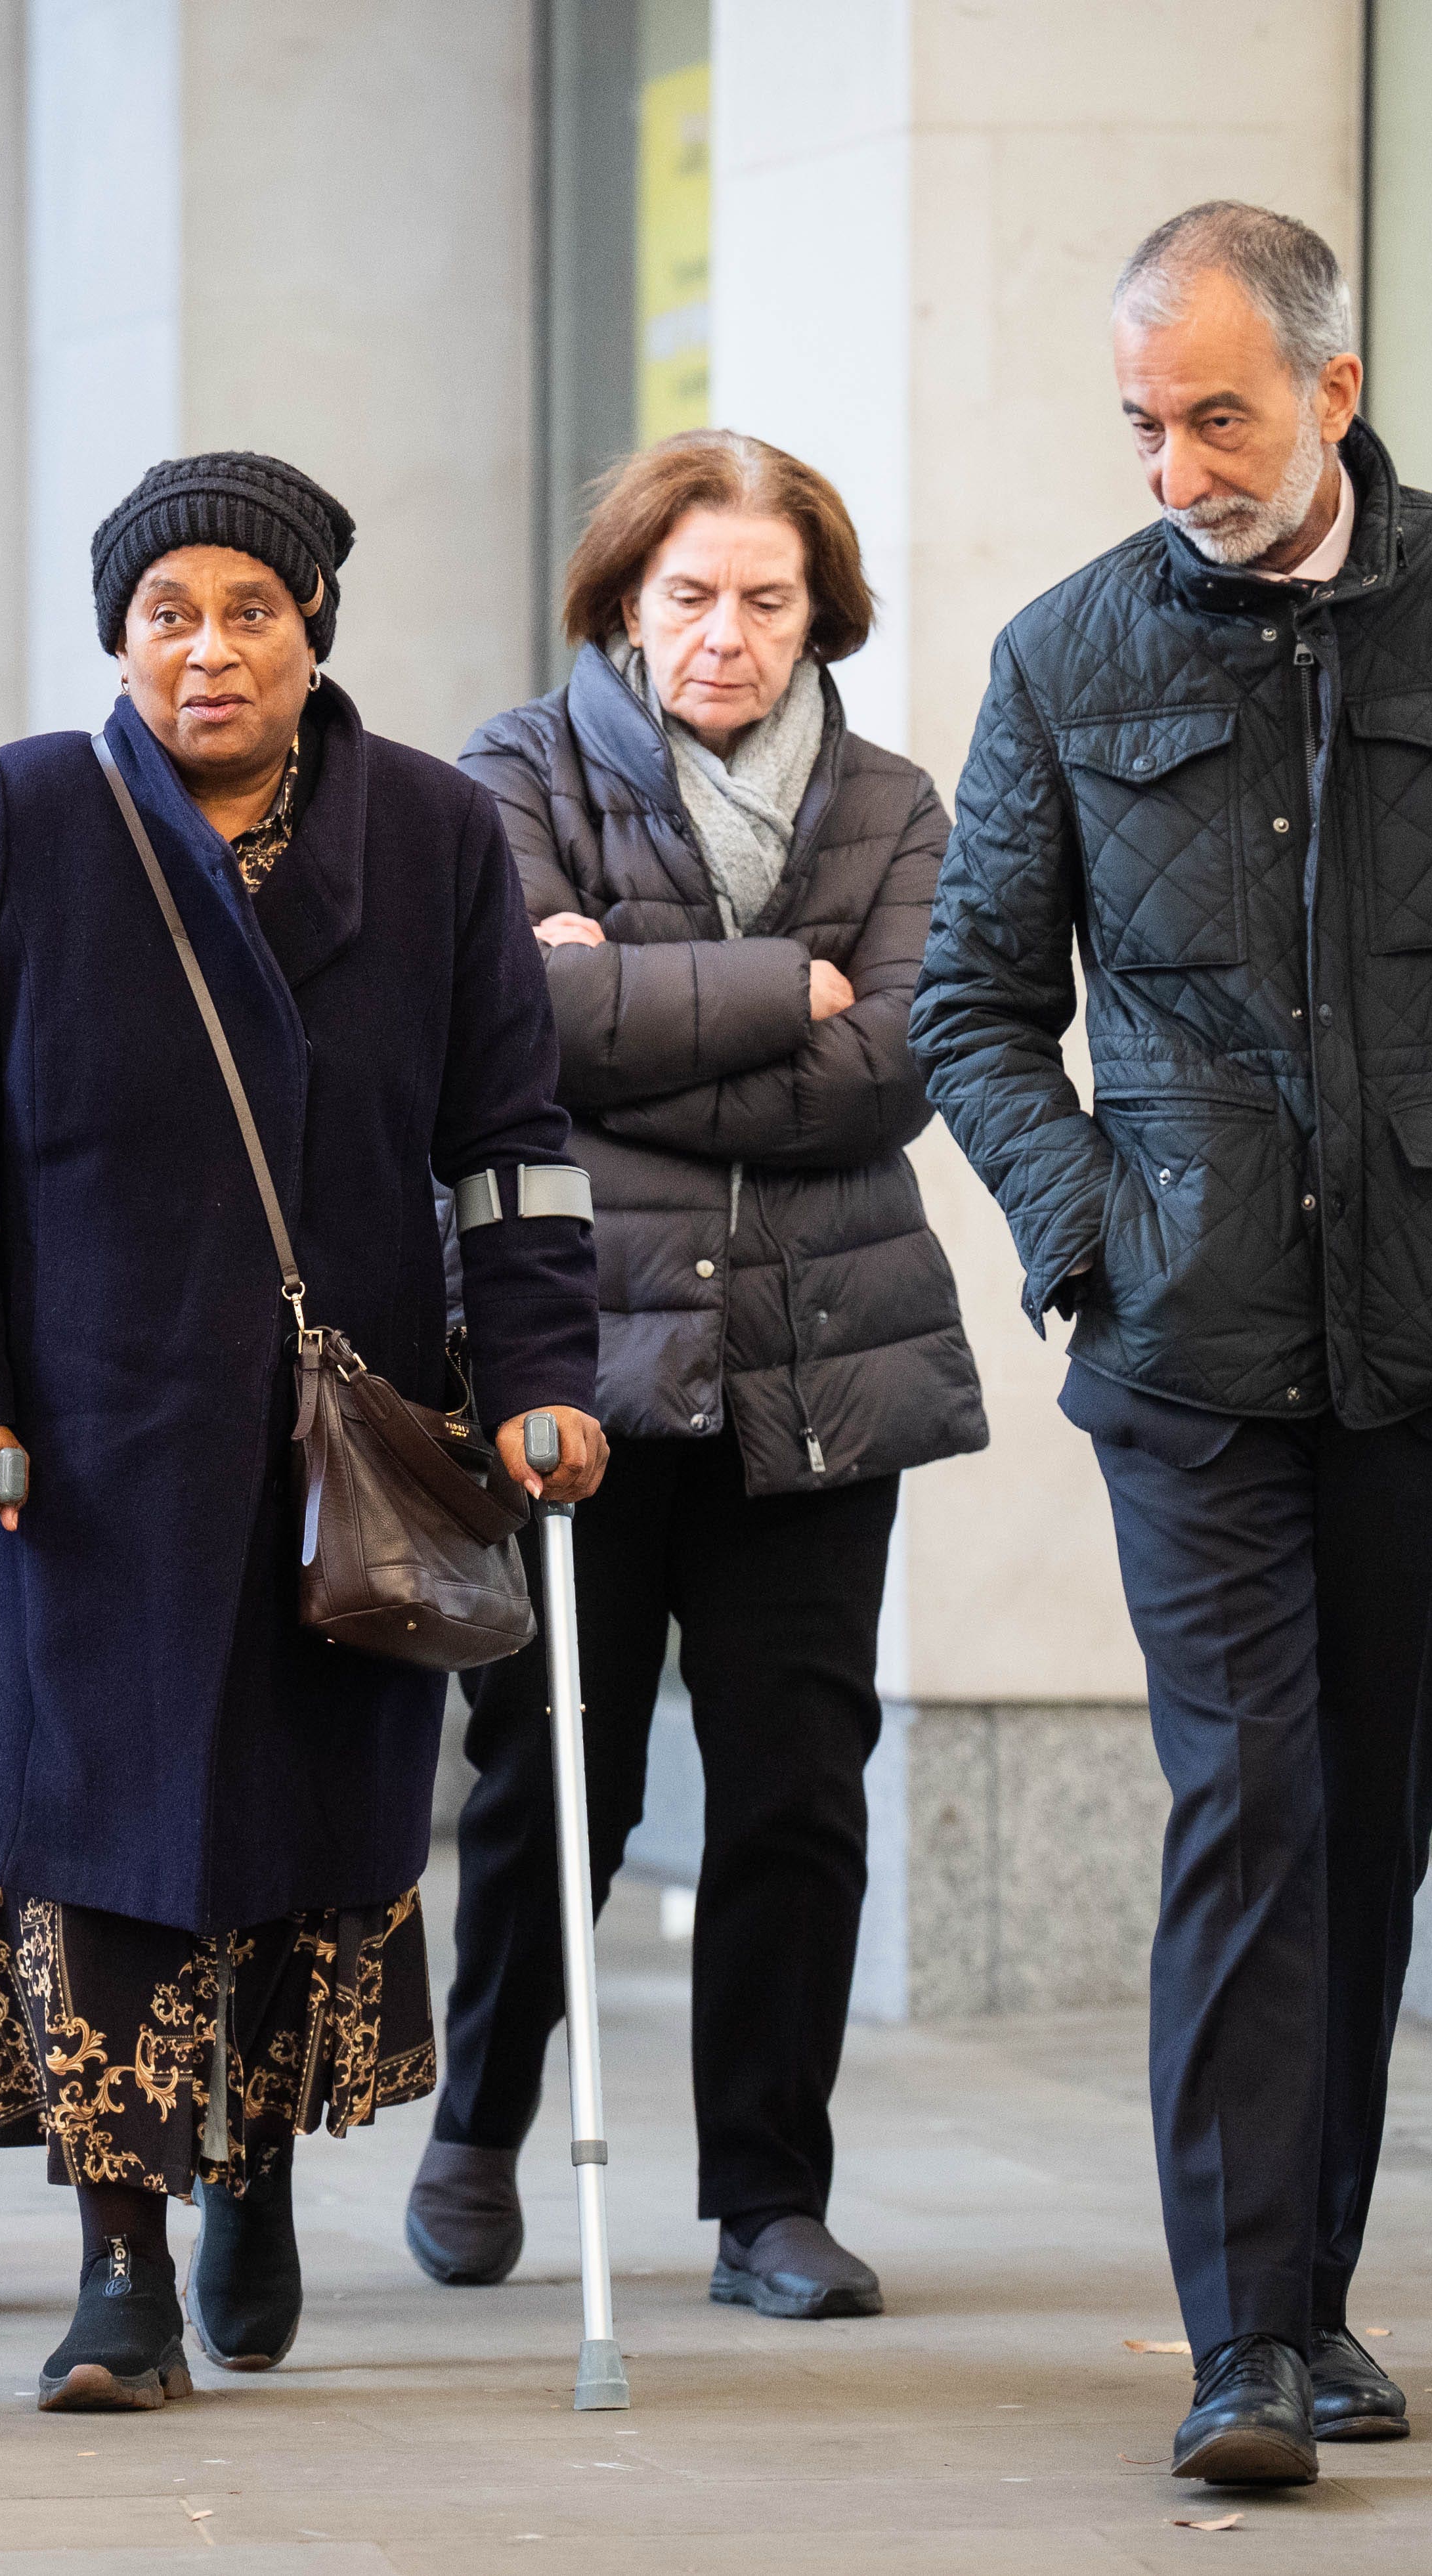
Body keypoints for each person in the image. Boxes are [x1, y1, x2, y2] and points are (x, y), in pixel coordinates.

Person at [912, 202, 1432, 2484]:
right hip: (1188, 1346)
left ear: (1333, 389)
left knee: (1370, 1823)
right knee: (1251, 1801)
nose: (1171, 464)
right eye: (1141, 421)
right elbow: (970, 1002)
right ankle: (1241, 2340)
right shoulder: (1065, 655)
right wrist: (1088, 1237)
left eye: (1214, 414)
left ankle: (1312, 2294)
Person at [0, 453, 607, 2411]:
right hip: (77, 1449)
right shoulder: (23, 815)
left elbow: (509, 1153)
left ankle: (249, 2175)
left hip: (328, 1451)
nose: (208, 647)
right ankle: (115, 2261)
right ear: (117, 634)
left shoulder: (437, 838)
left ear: (313, 628)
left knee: (286, 1831)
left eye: (249, 609)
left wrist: (539, 1379)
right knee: (97, 1842)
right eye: (167, 611)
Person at [415, 429, 986, 2321]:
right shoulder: (514, 774)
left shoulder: (895, 808)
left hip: (828, 1361)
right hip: (579, 1353)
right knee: (547, 1776)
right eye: (688, 597)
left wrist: (633, 1000)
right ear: (620, 601)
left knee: (797, 1789)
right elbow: (516, 1026)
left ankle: (766, 2199)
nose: (723, 637)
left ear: (818, 614)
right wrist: (771, 985)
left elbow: (894, 1064)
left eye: (765, 600)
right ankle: (475, 2125)